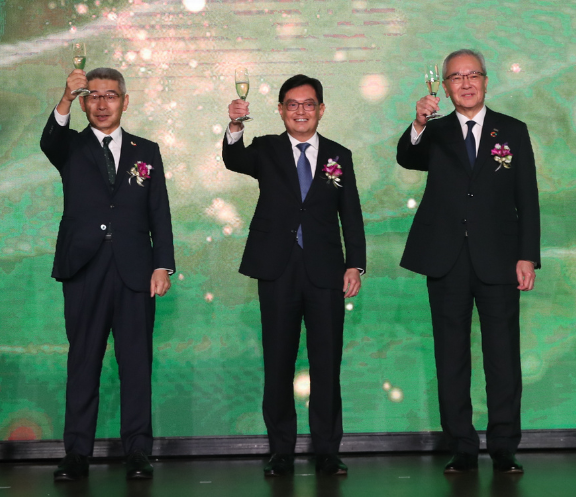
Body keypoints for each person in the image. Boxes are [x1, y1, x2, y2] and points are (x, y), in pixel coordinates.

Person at [396, 49, 539, 474]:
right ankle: (461, 444)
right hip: (447, 259)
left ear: (486, 80)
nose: (465, 83)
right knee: (450, 356)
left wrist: (527, 255)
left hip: (499, 258)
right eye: (455, 77)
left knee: (502, 357)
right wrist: (419, 123)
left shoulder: (512, 130)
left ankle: (503, 446)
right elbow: (407, 155)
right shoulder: (434, 132)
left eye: (472, 74)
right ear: (444, 86)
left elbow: (526, 198)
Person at [223, 75, 367, 477]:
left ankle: (327, 450)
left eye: (308, 104)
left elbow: (350, 214)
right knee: (278, 362)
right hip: (277, 268)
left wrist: (355, 263)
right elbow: (234, 159)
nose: (300, 111)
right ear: (281, 110)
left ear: (321, 109)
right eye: (292, 104)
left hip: (326, 271)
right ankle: (280, 450)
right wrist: (235, 127)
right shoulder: (265, 149)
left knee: (326, 365)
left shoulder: (340, 155)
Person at [40, 67, 174, 480]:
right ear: (83, 103)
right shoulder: (69, 146)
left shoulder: (146, 150)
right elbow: (49, 139)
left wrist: (162, 263)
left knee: (136, 364)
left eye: (110, 95)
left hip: (136, 270)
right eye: (93, 96)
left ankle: (137, 451)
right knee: (83, 363)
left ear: (125, 101)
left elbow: (159, 212)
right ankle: (77, 453)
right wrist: (64, 96)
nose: (101, 103)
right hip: (83, 268)